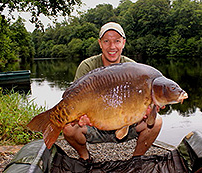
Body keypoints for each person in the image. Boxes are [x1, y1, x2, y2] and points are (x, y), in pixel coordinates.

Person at [63, 22, 163, 162]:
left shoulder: (135, 70)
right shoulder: (87, 66)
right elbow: (73, 100)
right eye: (106, 41)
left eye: (117, 41)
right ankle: (84, 156)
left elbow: (142, 107)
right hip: (95, 124)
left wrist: (146, 112)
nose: (112, 47)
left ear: (123, 42)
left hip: (125, 124)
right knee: (68, 128)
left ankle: (135, 160)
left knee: (156, 122)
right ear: (100, 43)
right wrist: (80, 116)